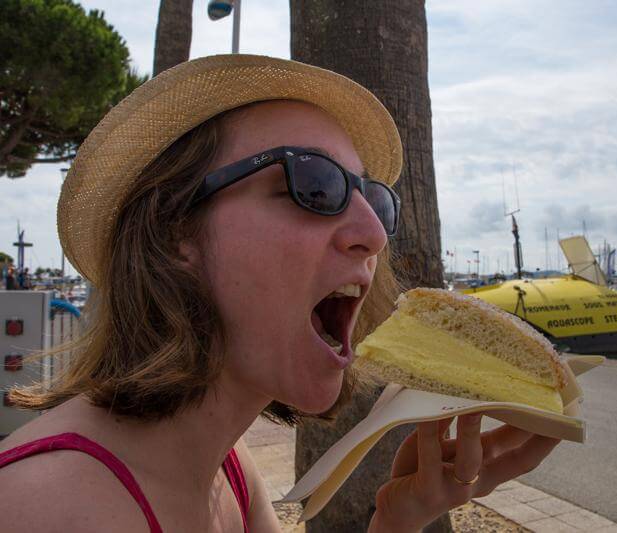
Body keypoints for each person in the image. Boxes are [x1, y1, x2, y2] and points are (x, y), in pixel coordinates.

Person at [0, 55, 559, 531]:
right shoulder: (48, 507)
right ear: (174, 232)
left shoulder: (228, 467)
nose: (375, 234)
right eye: (314, 184)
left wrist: (398, 517)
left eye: (374, 199)